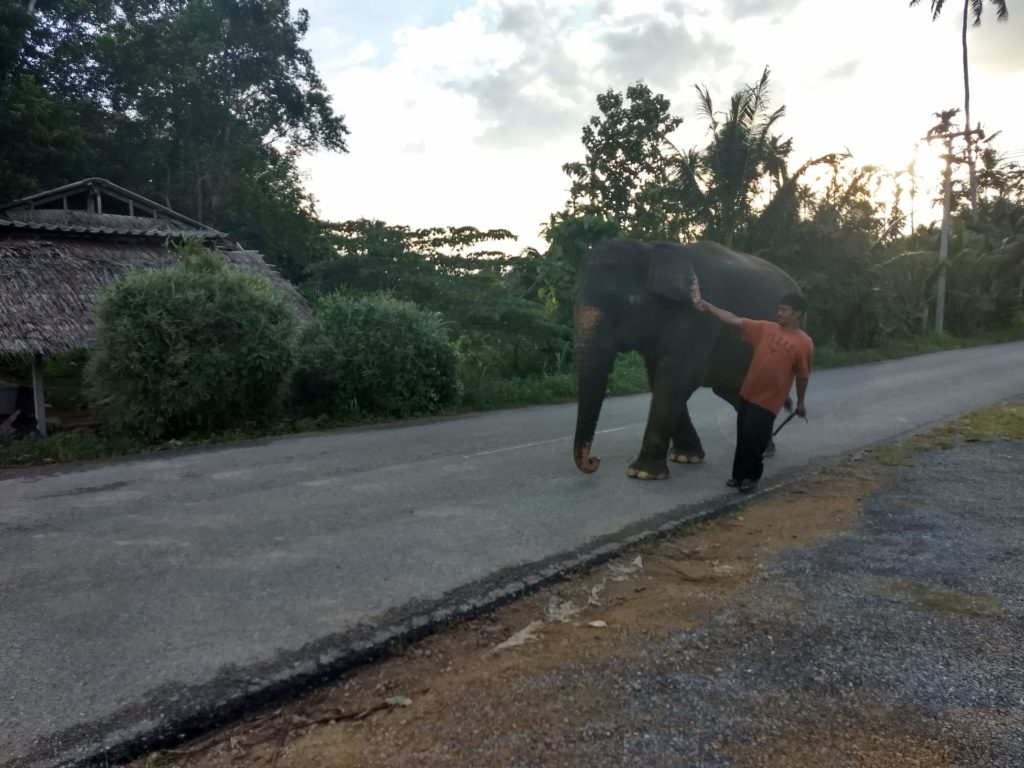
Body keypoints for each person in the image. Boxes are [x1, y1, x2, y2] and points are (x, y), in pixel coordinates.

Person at [694, 292, 813, 493]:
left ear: (798, 314)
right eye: (779, 308)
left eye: (784, 310)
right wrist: (709, 307)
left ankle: (751, 477)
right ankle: (738, 475)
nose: (779, 313)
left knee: (754, 438)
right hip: (748, 392)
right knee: (743, 436)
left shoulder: (804, 343)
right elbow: (732, 319)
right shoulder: (765, 328)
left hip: (769, 399)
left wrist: (801, 402)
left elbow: (802, 375)